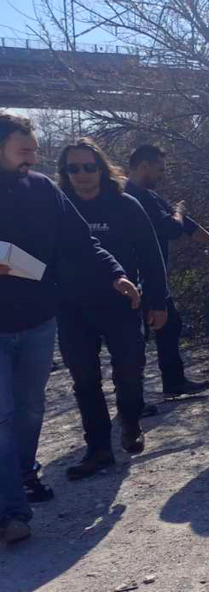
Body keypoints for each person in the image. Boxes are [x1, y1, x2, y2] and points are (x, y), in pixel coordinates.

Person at [0, 114, 137, 542]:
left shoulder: (41, 189)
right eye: (25, 150)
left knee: (30, 409)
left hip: (38, 320)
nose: (33, 156)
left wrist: (115, 272)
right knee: (2, 417)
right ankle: (12, 511)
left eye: (35, 150)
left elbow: (81, 240)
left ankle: (23, 474)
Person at [56, 139, 167, 479]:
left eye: (89, 167)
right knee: (85, 380)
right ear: (65, 173)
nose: (83, 174)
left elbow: (151, 256)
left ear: (102, 169)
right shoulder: (57, 206)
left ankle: (131, 422)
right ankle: (99, 449)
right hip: (72, 307)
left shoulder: (125, 204)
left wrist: (159, 303)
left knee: (129, 370)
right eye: (74, 168)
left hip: (123, 303)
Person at [126, 143, 209, 400]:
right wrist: (178, 211)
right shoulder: (132, 196)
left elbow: (187, 226)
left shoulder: (149, 195)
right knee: (134, 339)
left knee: (170, 324)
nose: (163, 175)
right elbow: (173, 227)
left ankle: (173, 382)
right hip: (134, 278)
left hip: (154, 277)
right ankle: (132, 399)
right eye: (160, 170)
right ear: (144, 167)